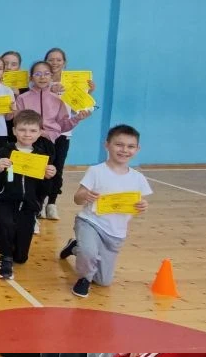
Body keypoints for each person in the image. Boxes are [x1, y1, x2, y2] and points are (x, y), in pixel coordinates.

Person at [59, 125, 152, 298]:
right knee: (89, 253)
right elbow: (77, 198)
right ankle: (84, 279)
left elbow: (141, 203)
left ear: (137, 149)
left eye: (130, 146)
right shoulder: (96, 171)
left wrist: (143, 206)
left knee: (103, 281)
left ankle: (74, 247)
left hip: (116, 232)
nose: (124, 150)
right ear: (107, 145)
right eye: (119, 144)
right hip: (90, 222)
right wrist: (85, 195)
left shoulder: (138, 178)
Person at [16, 60, 91, 220]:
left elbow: (63, 125)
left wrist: (77, 118)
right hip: (28, 143)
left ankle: (38, 208)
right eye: (38, 74)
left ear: (51, 76)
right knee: (28, 178)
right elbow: (18, 121)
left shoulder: (57, 99)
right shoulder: (23, 98)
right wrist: (35, 133)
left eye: (46, 74)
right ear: (31, 77)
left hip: (49, 144)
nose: (42, 77)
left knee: (46, 178)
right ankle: (28, 213)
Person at [0, 110, 57, 280]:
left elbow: (45, 189)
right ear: (14, 131)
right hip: (6, 201)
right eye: (22, 130)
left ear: (40, 133)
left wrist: (48, 177)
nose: (27, 134)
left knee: (21, 257)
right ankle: (5, 256)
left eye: (33, 130)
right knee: (6, 224)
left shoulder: (42, 156)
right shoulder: (4, 152)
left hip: (29, 205)